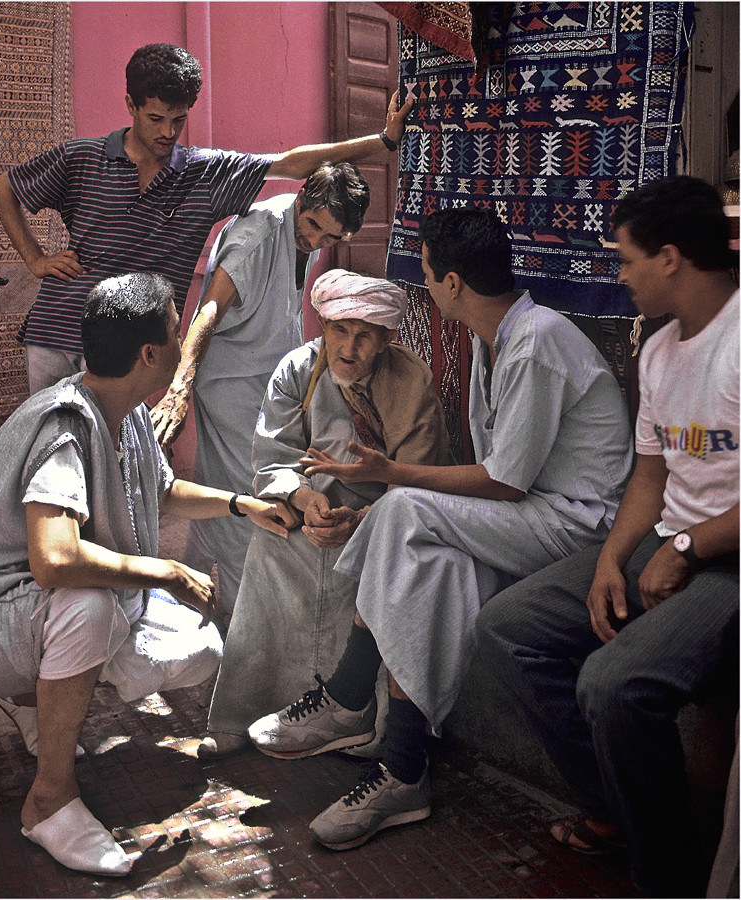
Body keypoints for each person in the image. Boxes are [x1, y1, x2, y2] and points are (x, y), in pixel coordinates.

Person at [247, 206, 634, 851]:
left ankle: (346, 698)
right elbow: (495, 480)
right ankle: (404, 772)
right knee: (431, 566)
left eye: (428, 275)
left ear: (452, 283)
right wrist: (370, 512)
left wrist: (389, 475)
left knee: (402, 506)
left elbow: (504, 481)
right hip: (526, 516)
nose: (427, 287)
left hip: (573, 526)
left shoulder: (536, 341)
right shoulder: (498, 340)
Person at [0, 272, 289, 877]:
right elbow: (54, 559)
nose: (184, 343)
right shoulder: (65, 423)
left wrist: (243, 503)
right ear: (150, 354)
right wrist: (165, 572)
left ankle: (32, 699)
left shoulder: (121, 409)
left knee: (196, 646)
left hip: (15, 610)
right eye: (178, 329)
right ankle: (49, 800)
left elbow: (164, 490)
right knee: (89, 607)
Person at [475, 176, 739, 898]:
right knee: (509, 627)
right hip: (670, 539)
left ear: (671, 258)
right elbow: (650, 477)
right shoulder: (658, 351)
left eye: (625, 260)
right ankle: (615, 808)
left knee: (614, 684)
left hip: (730, 564)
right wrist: (611, 563)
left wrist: (685, 552)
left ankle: (669, 877)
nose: (618, 276)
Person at [0, 42, 412, 394]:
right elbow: (3, 188)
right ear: (130, 106)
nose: (168, 132)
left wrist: (384, 141)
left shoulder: (203, 173)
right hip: (56, 328)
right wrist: (36, 259)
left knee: (118, 470)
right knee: (50, 461)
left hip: (135, 348)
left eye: (179, 119)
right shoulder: (80, 157)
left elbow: (292, 164)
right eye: (155, 118)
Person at [197, 268, 449, 758]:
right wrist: (305, 499)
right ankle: (241, 712)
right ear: (324, 327)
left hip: (383, 516)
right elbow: (273, 456)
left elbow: (419, 477)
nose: (349, 347)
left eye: (364, 336)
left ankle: (358, 722)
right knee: (269, 545)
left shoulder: (410, 378)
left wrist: (361, 519)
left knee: (377, 564)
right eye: (339, 330)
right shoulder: (296, 369)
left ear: (384, 340)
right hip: (308, 510)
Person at [151, 163, 371, 617]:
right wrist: (179, 387)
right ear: (303, 195)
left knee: (224, 480)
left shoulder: (303, 233)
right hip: (232, 385)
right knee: (255, 490)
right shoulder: (259, 234)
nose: (314, 241)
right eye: (312, 226)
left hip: (264, 379)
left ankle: (177, 599)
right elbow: (209, 308)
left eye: (329, 238)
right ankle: (236, 618)